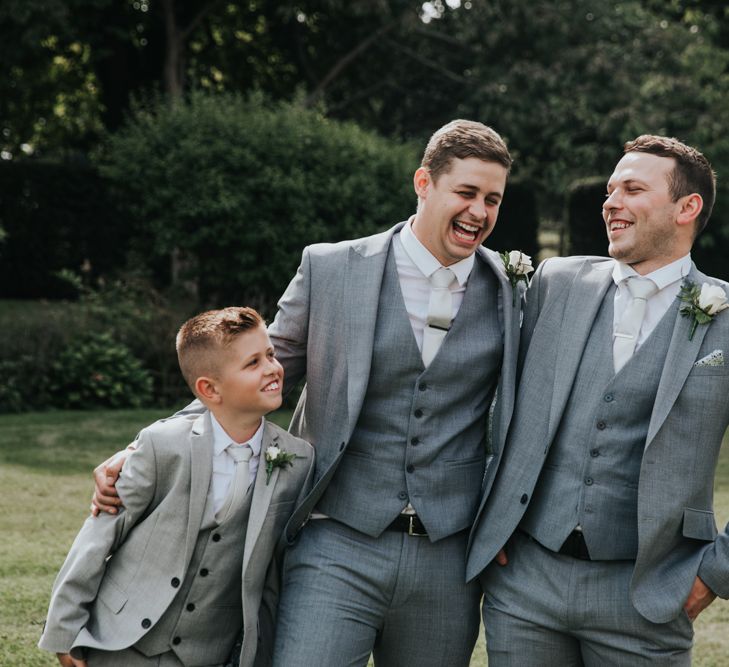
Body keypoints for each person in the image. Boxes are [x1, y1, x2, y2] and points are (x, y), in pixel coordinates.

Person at [93, 120, 523, 666]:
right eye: (466, 193)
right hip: (335, 538)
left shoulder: (513, 290)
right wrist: (146, 446)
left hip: (448, 555)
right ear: (423, 183)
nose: (479, 213)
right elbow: (255, 372)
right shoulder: (333, 267)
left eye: (493, 199)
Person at [466, 135, 729, 665]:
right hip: (525, 585)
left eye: (632, 189)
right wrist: (490, 514)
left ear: (687, 207)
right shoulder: (557, 283)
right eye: (610, 190)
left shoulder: (724, 317)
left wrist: (715, 573)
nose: (611, 202)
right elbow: (488, 393)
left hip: (646, 597)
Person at [39, 307, 314, 667]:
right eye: (252, 363)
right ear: (209, 389)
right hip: (122, 642)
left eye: (271, 355)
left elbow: (275, 572)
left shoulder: (296, 460)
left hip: (210, 651)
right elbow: (99, 536)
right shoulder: (161, 446)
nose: (273, 368)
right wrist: (65, 629)